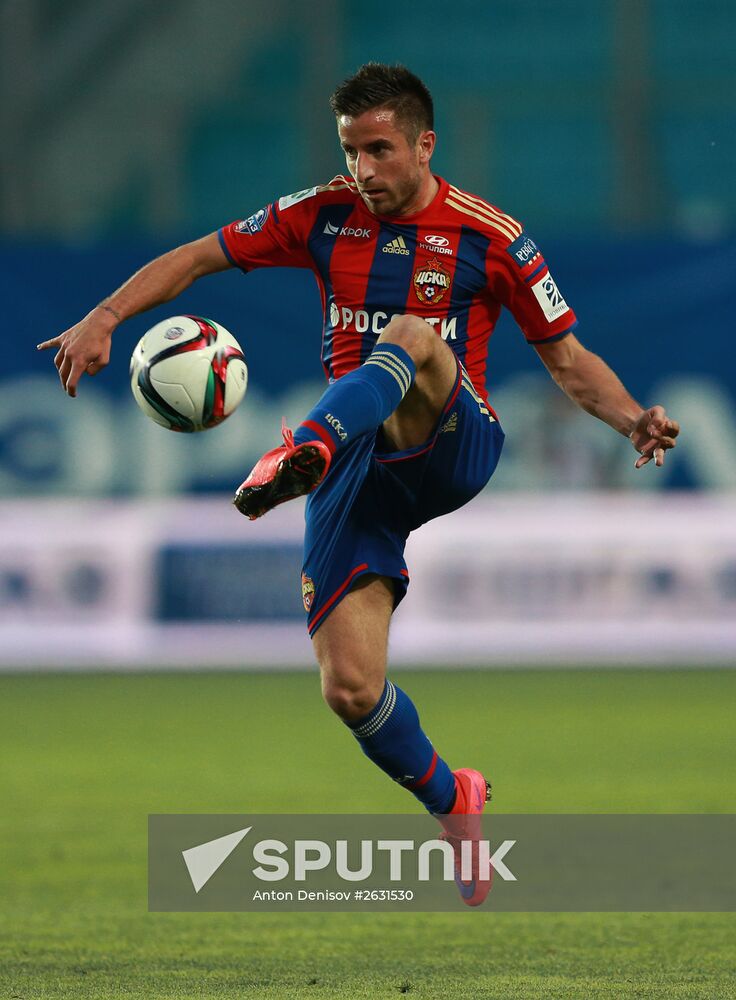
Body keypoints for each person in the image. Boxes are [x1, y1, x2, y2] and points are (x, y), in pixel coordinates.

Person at [38, 63, 679, 906]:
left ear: (425, 144)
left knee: (412, 334)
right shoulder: (321, 214)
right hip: (357, 473)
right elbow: (197, 257)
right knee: (349, 688)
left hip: (450, 441)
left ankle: (302, 447)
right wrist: (106, 316)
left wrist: (631, 419)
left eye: (379, 150)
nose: (362, 169)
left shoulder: (491, 236)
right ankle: (453, 799)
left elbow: (567, 360)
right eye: (350, 151)